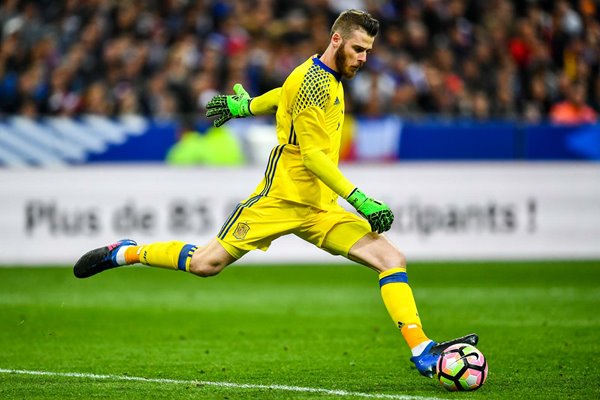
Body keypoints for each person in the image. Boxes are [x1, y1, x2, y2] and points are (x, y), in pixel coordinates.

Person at [74, 9, 477, 378]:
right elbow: (315, 157)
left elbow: (281, 95)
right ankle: (126, 251)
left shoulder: (325, 78)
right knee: (204, 264)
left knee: (390, 258)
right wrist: (361, 199)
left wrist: (245, 106)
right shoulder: (311, 81)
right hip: (280, 199)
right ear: (336, 40)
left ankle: (421, 349)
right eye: (358, 48)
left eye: (368, 51)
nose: (363, 58)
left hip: (320, 208)